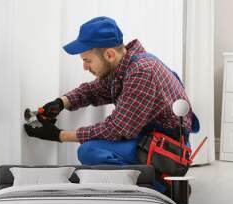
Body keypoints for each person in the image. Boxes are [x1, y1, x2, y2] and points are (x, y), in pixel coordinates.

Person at [24, 16, 198, 193]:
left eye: (88, 60)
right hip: (149, 138)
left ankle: (164, 186)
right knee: (92, 149)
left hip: (167, 149)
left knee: (89, 151)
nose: (85, 67)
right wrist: (60, 103)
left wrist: (59, 135)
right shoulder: (124, 64)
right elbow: (95, 90)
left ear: (109, 54)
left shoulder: (142, 71)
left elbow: (118, 128)